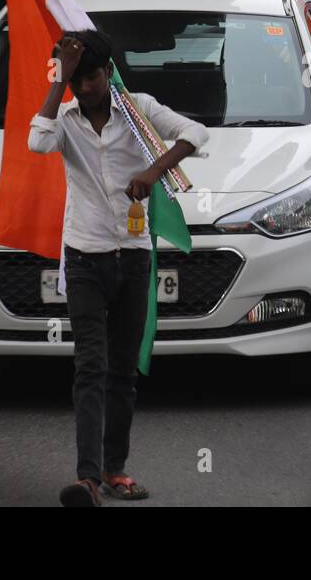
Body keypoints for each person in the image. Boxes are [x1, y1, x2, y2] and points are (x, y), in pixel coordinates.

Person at [29, 29, 208, 507]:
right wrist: (56, 83)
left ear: (108, 73)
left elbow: (196, 133)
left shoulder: (140, 111)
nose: (83, 88)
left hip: (132, 256)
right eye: (75, 80)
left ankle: (115, 469)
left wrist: (154, 171)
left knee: (122, 371)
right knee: (90, 365)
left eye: (90, 77)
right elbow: (37, 142)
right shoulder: (64, 120)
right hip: (84, 256)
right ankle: (87, 477)